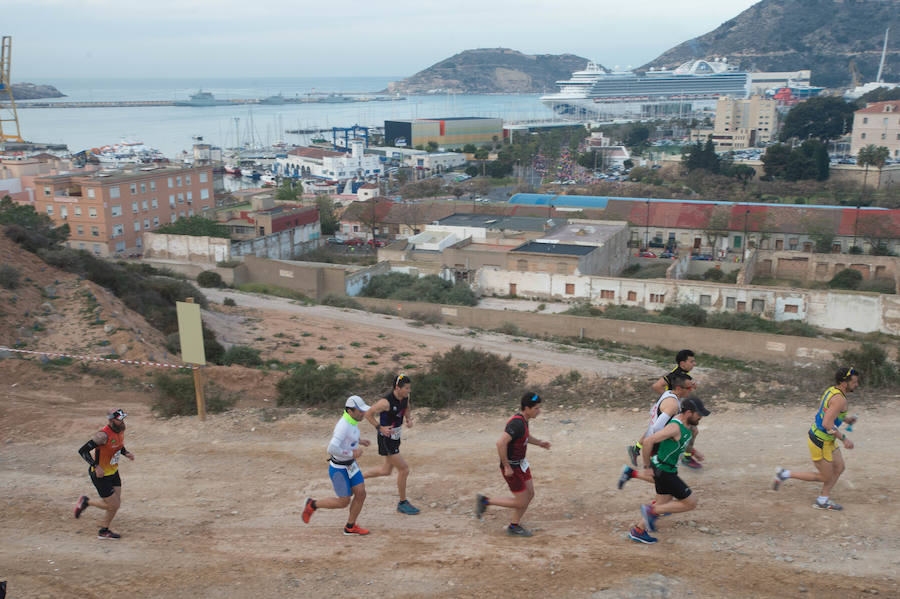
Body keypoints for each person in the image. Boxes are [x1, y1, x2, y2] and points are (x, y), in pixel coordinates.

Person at [772, 367, 859, 511]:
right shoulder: (839, 399)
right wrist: (844, 439)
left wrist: (847, 420)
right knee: (825, 477)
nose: (857, 384)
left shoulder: (832, 391)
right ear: (844, 383)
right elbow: (826, 423)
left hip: (827, 439)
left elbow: (828, 414)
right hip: (820, 440)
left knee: (840, 467)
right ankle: (784, 474)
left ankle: (822, 500)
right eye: (854, 382)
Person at [628, 396, 710, 544]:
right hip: (664, 472)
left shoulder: (689, 426)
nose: (701, 417)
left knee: (663, 503)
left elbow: (685, 442)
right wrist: (646, 467)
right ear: (689, 413)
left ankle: (638, 531)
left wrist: (694, 452)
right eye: (699, 414)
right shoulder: (675, 427)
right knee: (691, 503)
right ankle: (650, 511)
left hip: (666, 469)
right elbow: (648, 441)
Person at [474, 392, 551, 537]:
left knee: (530, 494)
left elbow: (525, 436)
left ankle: (514, 526)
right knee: (521, 502)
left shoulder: (524, 420)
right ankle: (485, 501)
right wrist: (507, 465)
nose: (539, 411)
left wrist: (540, 443)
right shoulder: (516, 423)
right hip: (512, 468)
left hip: (521, 464)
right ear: (527, 408)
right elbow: (500, 443)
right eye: (536, 408)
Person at [302, 395, 372, 535]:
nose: (363, 413)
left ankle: (350, 527)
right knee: (343, 502)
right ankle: (312, 504)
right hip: (339, 469)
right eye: (360, 411)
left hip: (351, 466)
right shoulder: (342, 425)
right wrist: (352, 453)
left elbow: (349, 437)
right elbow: (332, 448)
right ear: (350, 411)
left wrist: (360, 440)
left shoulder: (351, 420)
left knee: (361, 493)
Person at [619, 375, 696, 488]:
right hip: (656, 443)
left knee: (665, 478)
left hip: (653, 439)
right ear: (679, 388)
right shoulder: (672, 405)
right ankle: (630, 473)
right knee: (665, 478)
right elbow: (657, 427)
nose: (691, 390)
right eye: (689, 388)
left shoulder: (668, 393)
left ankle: (632, 475)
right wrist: (665, 439)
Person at [362, 374, 420, 515]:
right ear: (397, 388)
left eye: (409, 388)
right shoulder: (385, 402)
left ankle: (357, 477)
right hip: (386, 440)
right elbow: (368, 414)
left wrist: (408, 419)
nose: (409, 391)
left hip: (395, 437)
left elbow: (407, 406)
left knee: (385, 471)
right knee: (404, 469)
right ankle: (402, 503)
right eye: (406, 388)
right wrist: (379, 427)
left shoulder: (405, 397)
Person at [73, 409, 135, 539]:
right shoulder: (102, 435)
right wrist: (96, 466)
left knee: (115, 504)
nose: (122, 421)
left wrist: (126, 453)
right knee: (114, 505)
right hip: (101, 476)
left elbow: (118, 445)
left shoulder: (121, 429)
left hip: (113, 472)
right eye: (119, 419)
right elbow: (82, 451)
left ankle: (102, 526)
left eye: (123, 418)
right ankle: (100, 525)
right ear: (111, 420)